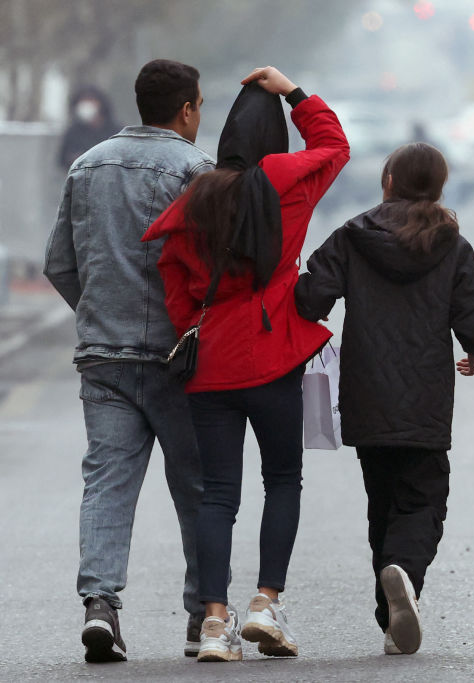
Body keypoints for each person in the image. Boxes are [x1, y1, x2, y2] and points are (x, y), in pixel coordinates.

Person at [141, 66, 349, 663]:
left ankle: (212, 623)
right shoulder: (286, 180)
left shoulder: (196, 198)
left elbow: (175, 283)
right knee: (282, 480)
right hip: (275, 353)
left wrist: (194, 331)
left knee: (218, 496)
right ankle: (264, 603)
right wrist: (295, 94)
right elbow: (335, 146)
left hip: (211, 368)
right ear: (274, 138)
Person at [294, 142, 474, 656]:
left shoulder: (353, 236)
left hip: (366, 391)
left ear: (388, 181)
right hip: (425, 395)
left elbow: (311, 296)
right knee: (423, 499)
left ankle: (391, 618)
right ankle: (402, 575)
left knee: (382, 501)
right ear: (440, 186)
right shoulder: (452, 243)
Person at [43, 59, 212, 663]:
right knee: (197, 487)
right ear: (187, 109)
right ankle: (203, 618)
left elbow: (59, 262)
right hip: (180, 356)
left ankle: (101, 606)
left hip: (104, 356)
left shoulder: (86, 165)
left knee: (108, 482)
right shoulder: (198, 171)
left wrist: (97, 313)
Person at [57, 85, 122, 170]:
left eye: (90, 100)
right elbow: (62, 160)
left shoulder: (117, 131)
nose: (86, 105)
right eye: (82, 101)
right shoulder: (73, 132)